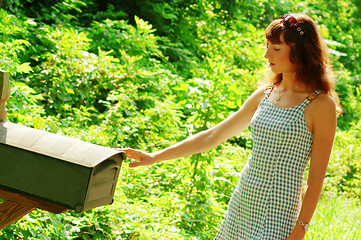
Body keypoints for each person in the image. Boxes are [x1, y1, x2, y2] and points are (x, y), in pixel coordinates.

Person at [121, 13, 341, 240]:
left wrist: (301, 227)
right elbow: (214, 135)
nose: (267, 55)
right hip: (243, 201)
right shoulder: (265, 95)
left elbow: (316, 176)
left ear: (300, 51)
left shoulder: (320, 104)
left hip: (278, 212)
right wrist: (155, 157)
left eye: (276, 48)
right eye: (267, 46)